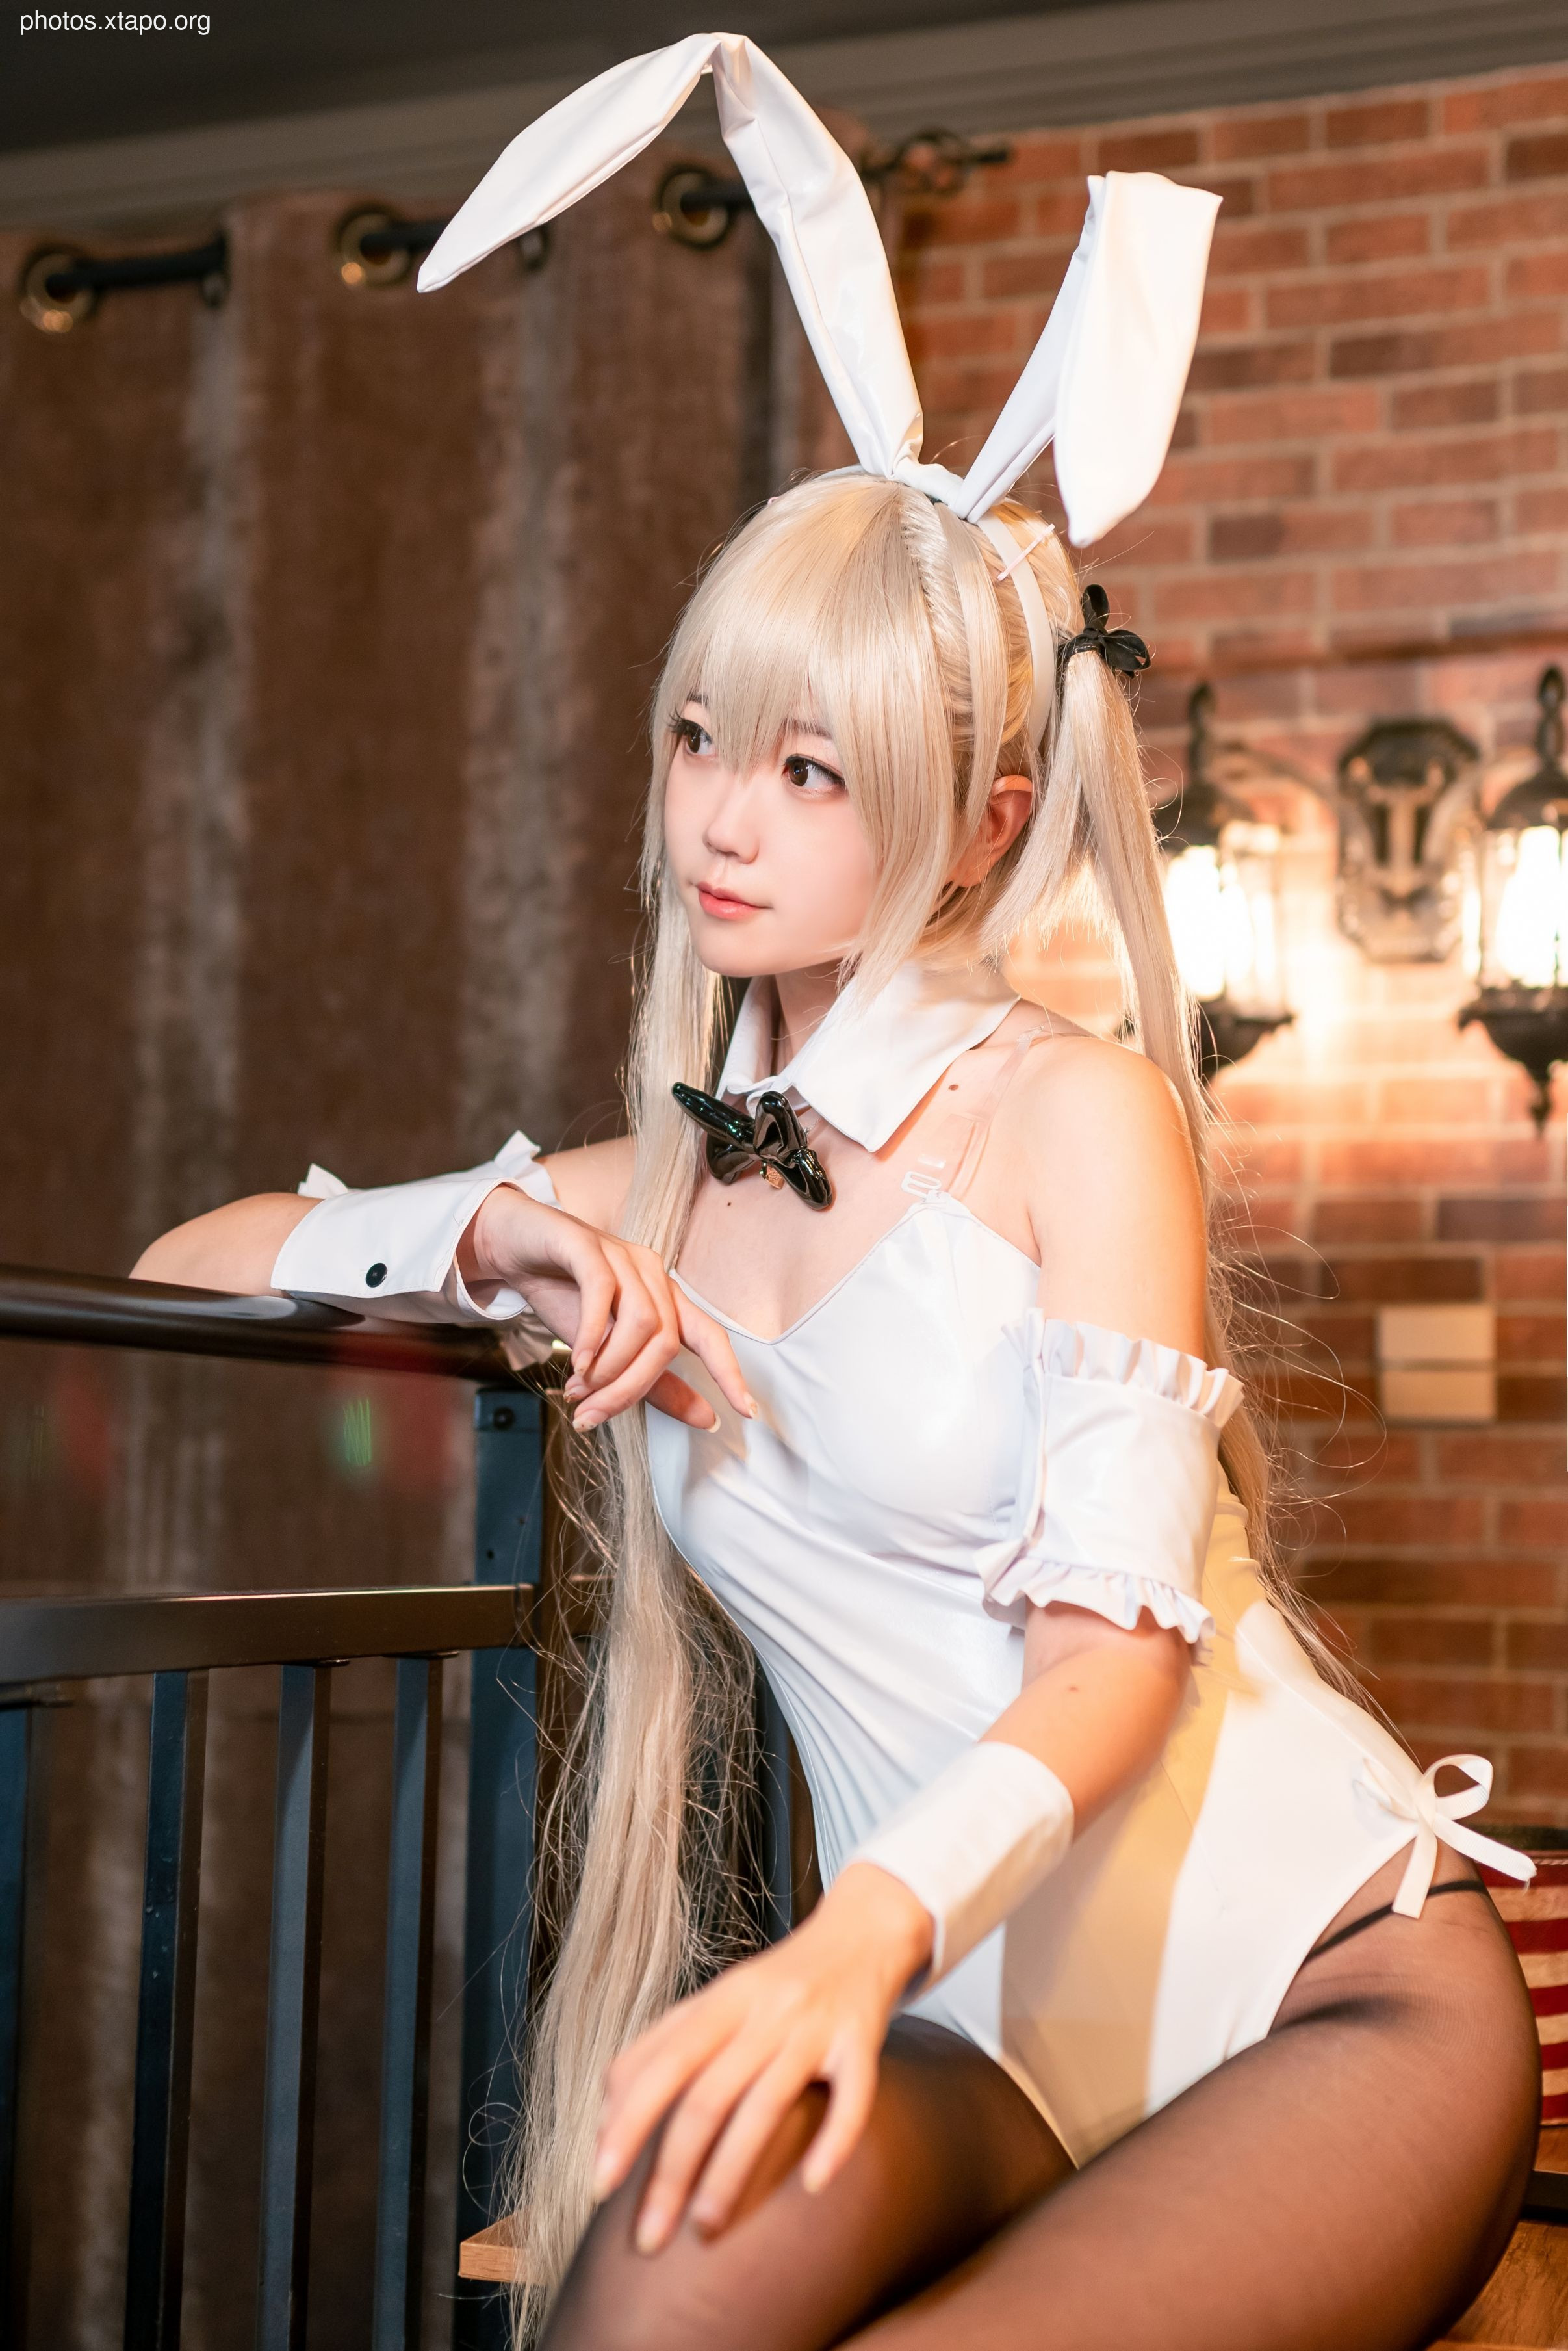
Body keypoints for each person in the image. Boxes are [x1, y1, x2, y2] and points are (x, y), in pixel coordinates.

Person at [135, 38, 1540, 2351]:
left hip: (1330, 2004)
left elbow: (1111, 1666)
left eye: (811, 766)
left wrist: (849, 1940)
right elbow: (190, 1267)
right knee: (645, 2291)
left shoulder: (1076, 1114)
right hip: (982, 2041)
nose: (724, 816)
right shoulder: (652, 1191)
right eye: (704, 735)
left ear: (977, 826)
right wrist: (495, 1229)